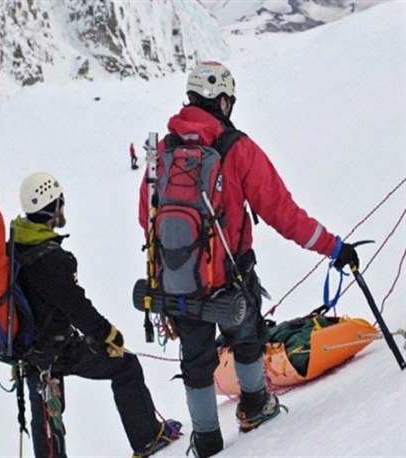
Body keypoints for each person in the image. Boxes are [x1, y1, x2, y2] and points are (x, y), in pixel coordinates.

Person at [137, 62, 360, 457]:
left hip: (179, 284)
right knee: (247, 338)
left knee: (196, 360)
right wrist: (334, 247)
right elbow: (283, 214)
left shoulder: (163, 153)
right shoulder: (237, 149)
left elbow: (148, 218)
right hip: (231, 281)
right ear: (222, 101)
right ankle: (255, 408)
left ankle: (206, 438)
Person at [13, 172, 181, 458]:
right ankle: (147, 438)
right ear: (53, 209)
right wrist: (108, 334)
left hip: (27, 349)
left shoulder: (16, 244)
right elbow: (76, 307)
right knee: (125, 365)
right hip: (56, 348)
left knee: (46, 417)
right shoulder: (52, 259)